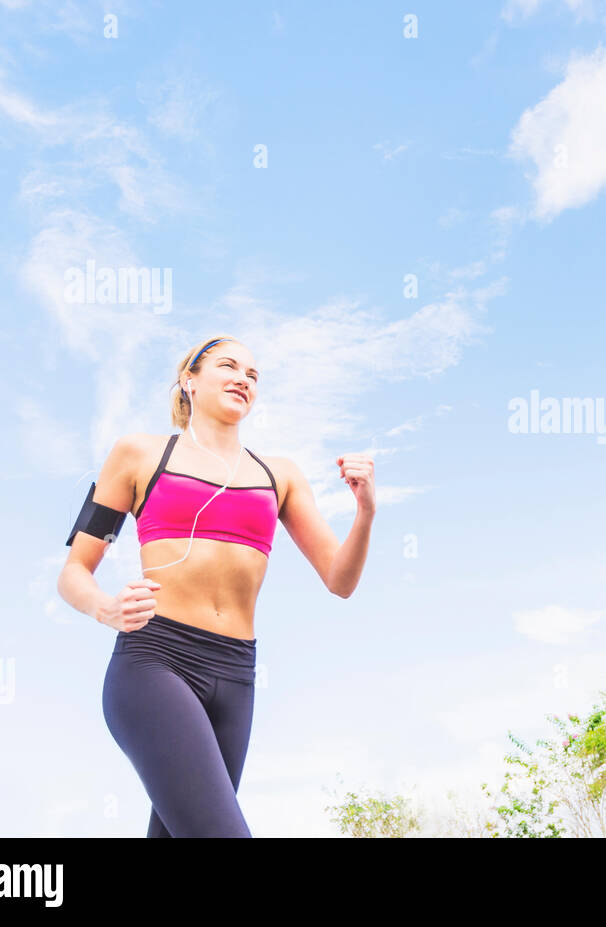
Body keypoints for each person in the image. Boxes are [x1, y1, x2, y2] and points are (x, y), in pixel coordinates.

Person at [56, 334, 376, 837]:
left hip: (236, 675)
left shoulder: (280, 475)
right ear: (190, 381)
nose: (243, 379)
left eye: (253, 375)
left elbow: (341, 580)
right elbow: (73, 572)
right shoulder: (138, 454)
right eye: (229, 367)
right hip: (155, 662)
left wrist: (366, 511)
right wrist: (104, 607)